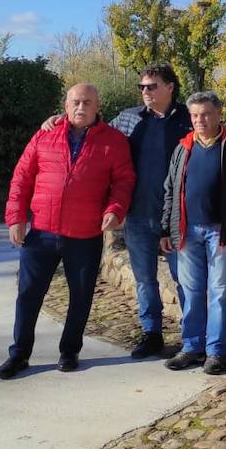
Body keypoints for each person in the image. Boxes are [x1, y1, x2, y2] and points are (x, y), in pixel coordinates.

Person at [40, 63, 194, 360]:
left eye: (151, 86)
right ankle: (152, 334)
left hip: (178, 217)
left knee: (183, 278)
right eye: (142, 87)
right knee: (144, 279)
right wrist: (63, 120)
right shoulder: (128, 119)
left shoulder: (189, 119)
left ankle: (191, 338)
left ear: (170, 87)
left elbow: (215, 135)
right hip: (139, 214)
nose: (145, 92)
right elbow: (92, 130)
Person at [0, 83, 136, 379]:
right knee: (28, 295)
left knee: (81, 295)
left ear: (98, 106)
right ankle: (19, 354)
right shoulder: (45, 134)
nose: (81, 107)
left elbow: (123, 182)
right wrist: (16, 217)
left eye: (87, 102)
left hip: (85, 235)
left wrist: (115, 209)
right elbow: (22, 177)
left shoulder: (114, 141)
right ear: (66, 103)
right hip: (42, 233)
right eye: (75, 102)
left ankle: (69, 351)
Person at [160, 91, 226, 375]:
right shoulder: (183, 148)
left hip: (221, 231)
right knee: (190, 291)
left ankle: (216, 352)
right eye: (195, 115)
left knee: (220, 292)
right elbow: (170, 190)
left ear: (218, 114)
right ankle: (191, 347)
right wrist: (165, 227)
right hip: (186, 230)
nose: (200, 120)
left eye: (206, 114)